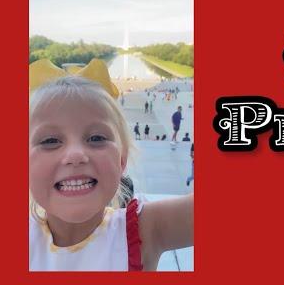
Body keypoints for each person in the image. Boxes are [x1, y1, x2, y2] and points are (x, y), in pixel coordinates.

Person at [28, 58, 193, 271]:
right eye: (50, 141)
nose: (76, 154)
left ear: (121, 160)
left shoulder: (146, 231)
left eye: (96, 138)